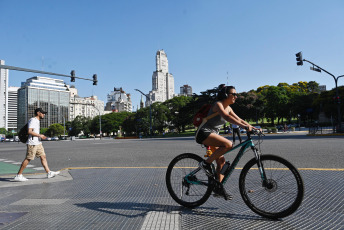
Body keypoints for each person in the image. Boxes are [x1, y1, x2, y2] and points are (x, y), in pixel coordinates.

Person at [195, 85, 259, 199]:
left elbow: (239, 119)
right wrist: (244, 127)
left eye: (236, 94)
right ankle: (205, 164)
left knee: (222, 162)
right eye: (233, 94)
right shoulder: (218, 104)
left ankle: (218, 188)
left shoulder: (229, 107)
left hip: (213, 134)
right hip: (204, 132)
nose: (236, 96)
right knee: (228, 144)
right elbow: (226, 117)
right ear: (226, 95)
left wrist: (253, 127)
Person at [14, 108, 60, 182]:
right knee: (28, 158)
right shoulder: (33, 120)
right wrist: (40, 135)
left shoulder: (37, 121)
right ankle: (19, 175)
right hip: (32, 143)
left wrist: (40, 137)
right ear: (38, 113)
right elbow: (29, 131)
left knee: (43, 156)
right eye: (42, 113)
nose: (44, 114)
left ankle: (49, 172)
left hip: (38, 143)